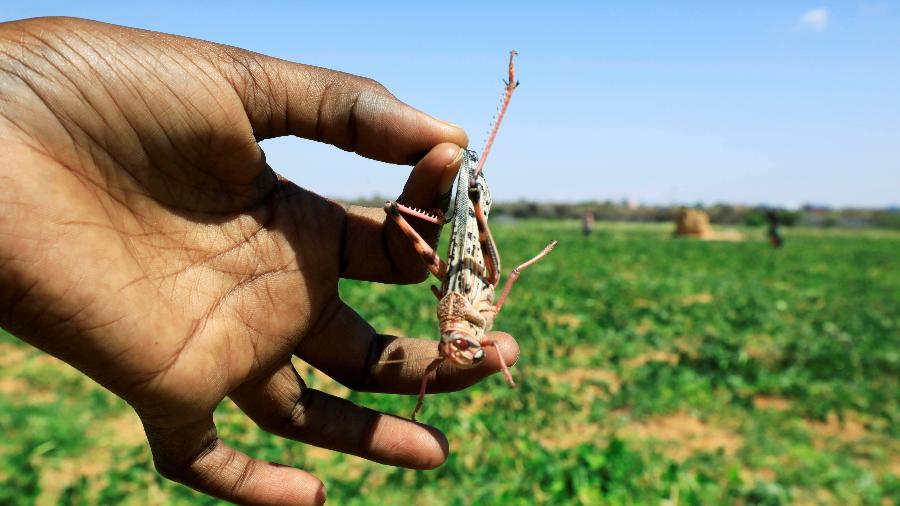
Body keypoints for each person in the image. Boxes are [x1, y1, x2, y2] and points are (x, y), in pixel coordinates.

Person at [0, 17, 519, 505]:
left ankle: (495, 122)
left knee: (465, 204)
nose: (455, 347)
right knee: (460, 211)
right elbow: (491, 281)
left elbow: (484, 285)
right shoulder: (463, 323)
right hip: (460, 268)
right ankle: (501, 110)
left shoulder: (460, 324)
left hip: (461, 269)